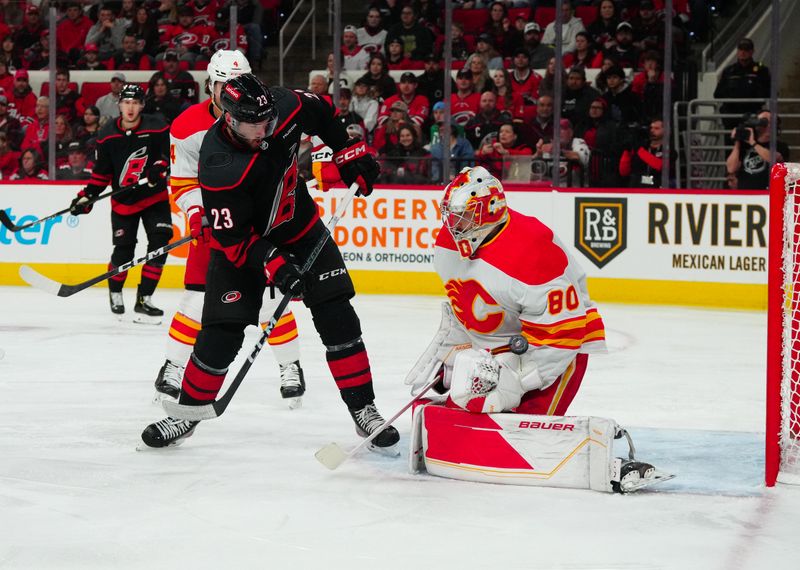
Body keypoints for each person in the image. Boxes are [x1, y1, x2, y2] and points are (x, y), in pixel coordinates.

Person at [139, 73, 399, 454]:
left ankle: (364, 409)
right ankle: (188, 412)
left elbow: (323, 112)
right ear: (229, 119)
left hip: (302, 229)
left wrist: (347, 152)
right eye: (254, 124)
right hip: (245, 248)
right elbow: (232, 239)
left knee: (338, 315)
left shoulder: (281, 106)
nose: (265, 128)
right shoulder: (218, 164)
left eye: (268, 120)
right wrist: (276, 265)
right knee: (219, 334)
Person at [153, 50, 309, 405]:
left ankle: (291, 366)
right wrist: (197, 215)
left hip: (258, 224)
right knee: (196, 299)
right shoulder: (186, 126)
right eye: (222, 85)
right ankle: (173, 366)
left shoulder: (264, 114)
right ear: (210, 85)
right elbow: (181, 181)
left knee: (271, 301)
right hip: (214, 223)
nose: (228, 93)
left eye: (235, 84)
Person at [405, 165, 606, 415]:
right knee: (466, 421)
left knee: (526, 437)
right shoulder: (448, 242)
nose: (454, 224)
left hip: (556, 350)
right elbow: (467, 303)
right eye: (451, 215)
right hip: (495, 353)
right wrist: (453, 352)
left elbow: (562, 334)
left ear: (490, 210)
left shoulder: (534, 249)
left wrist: (518, 381)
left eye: (464, 215)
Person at [68, 84, 172, 321]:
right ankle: (115, 292)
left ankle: (144, 298)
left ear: (142, 105)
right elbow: (101, 174)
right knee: (124, 251)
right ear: (120, 105)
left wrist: (160, 167)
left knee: (160, 244)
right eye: (127, 103)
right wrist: (86, 197)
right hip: (123, 202)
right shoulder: (107, 134)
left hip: (154, 197)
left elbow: (170, 154)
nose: (131, 107)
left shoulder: (157, 126)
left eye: (135, 103)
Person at [714, 38, 771, 130]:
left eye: (746, 50)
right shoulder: (729, 71)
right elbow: (718, 94)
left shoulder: (761, 71)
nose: (743, 52)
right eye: (741, 49)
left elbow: (768, 92)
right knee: (731, 143)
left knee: (751, 142)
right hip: (732, 117)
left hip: (752, 115)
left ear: (752, 52)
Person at [725, 110, 789, 190]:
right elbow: (731, 168)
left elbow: (773, 159)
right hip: (745, 193)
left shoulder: (780, 146)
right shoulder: (744, 145)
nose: (768, 125)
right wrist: (737, 142)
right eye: (764, 122)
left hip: (768, 193)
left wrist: (753, 143)